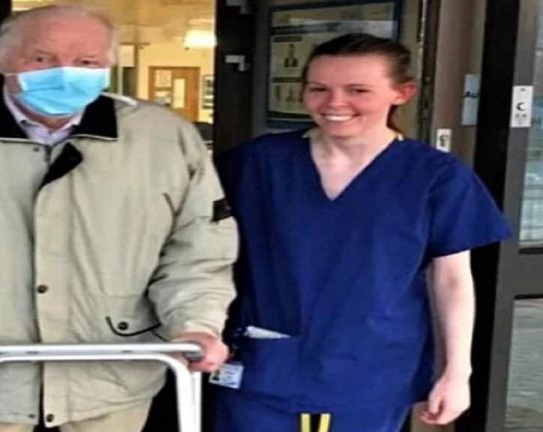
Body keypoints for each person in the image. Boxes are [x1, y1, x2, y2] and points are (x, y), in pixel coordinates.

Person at [0, 5, 237, 432]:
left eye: (86, 61)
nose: (65, 73)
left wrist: (195, 325)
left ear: (109, 65)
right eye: (41, 57)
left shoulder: (164, 138)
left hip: (111, 374)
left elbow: (199, 249)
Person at [211, 33, 510, 432]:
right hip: (262, 363)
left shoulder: (435, 176)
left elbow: (452, 280)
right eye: (319, 89)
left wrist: (457, 372)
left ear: (402, 93)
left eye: (358, 90)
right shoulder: (256, 163)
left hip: (372, 369)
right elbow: (202, 251)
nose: (335, 103)